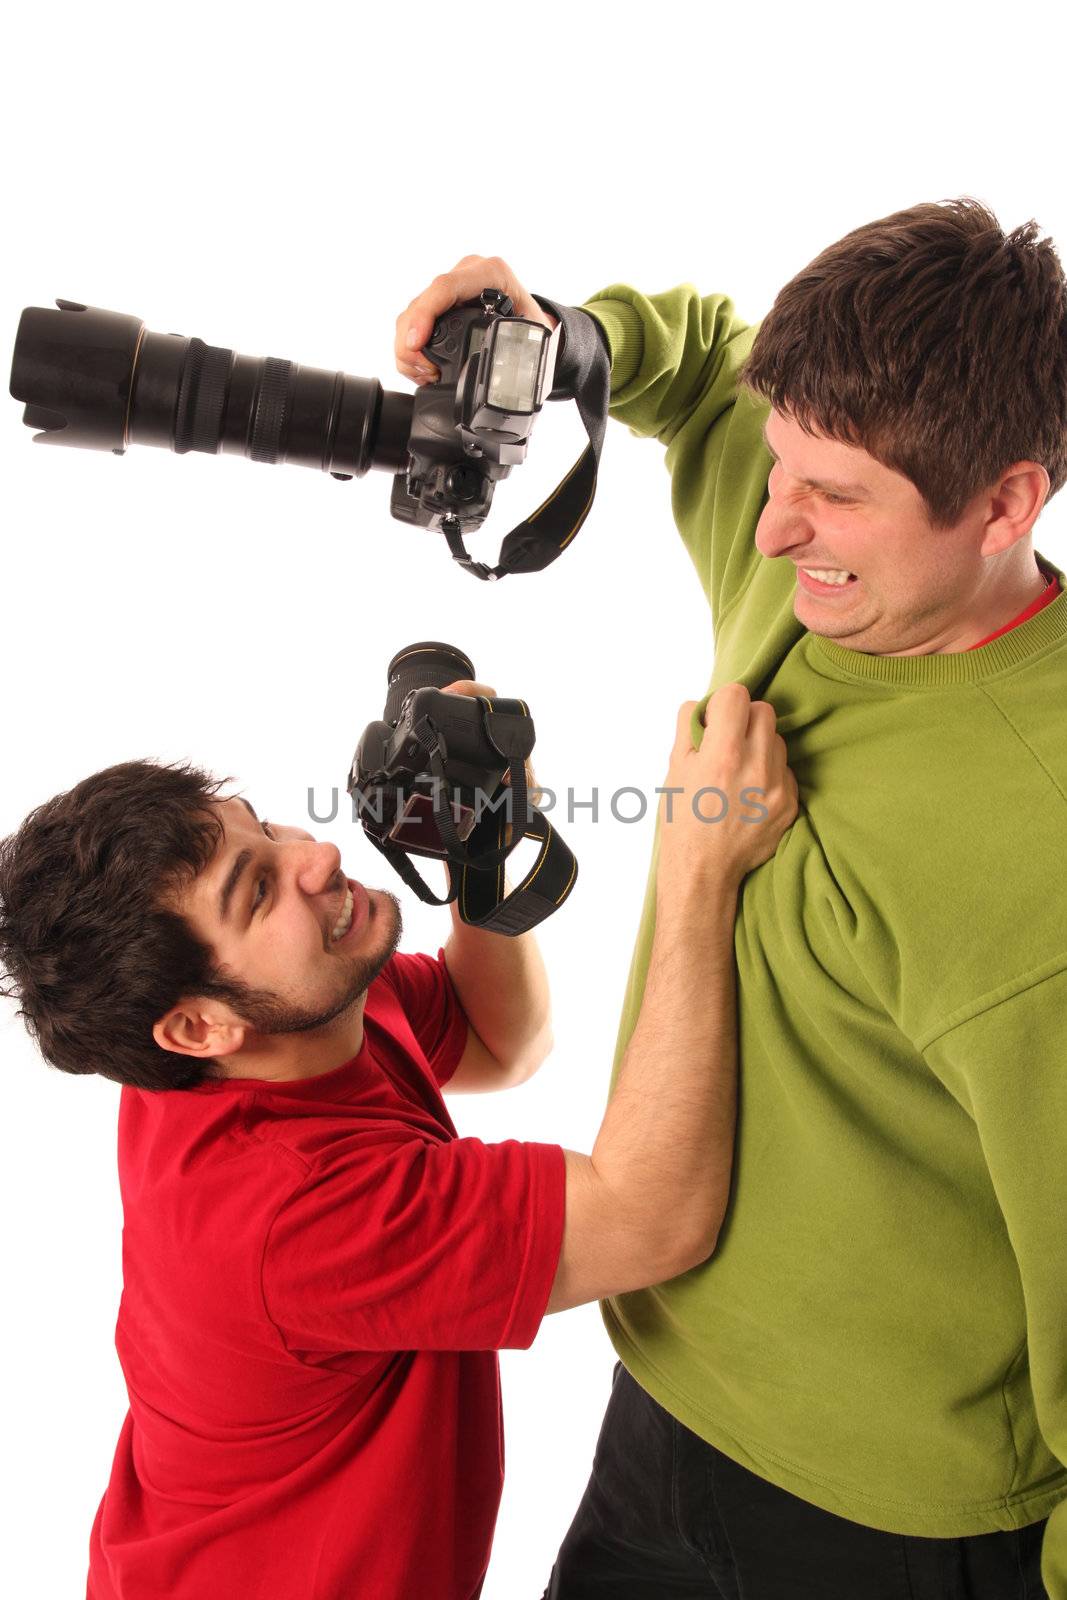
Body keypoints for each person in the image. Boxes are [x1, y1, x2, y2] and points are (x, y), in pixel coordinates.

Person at [396, 199, 1067, 1599]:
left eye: (834, 498)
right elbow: (701, 366)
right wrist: (566, 341)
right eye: (776, 467)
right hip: (661, 1409)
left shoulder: (1037, 852)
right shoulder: (820, 574)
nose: (768, 529)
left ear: (1004, 502)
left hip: (890, 1523)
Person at [0, 678, 795, 1600]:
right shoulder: (296, 1216)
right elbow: (654, 1221)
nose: (317, 854)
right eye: (257, 891)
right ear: (195, 1028)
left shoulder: (277, 1024)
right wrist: (701, 871)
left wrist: (483, 833)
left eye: (266, 828)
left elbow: (501, 1041)